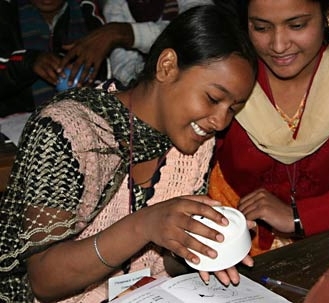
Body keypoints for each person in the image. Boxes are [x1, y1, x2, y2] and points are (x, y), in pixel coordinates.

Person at [0, 5, 257, 302]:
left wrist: (200, 245)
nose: (221, 121)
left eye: (233, 109)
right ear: (167, 66)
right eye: (213, 98)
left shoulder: (194, 141)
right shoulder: (68, 131)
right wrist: (148, 224)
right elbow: (44, 282)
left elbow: (169, 264)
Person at [208, 0, 329, 257]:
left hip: (320, 238)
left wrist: (302, 217)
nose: (278, 45)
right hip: (223, 233)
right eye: (261, 28)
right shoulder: (226, 72)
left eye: (297, 25)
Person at [0, 0, 108, 117]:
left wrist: (87, 80)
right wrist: (28, 62)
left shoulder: (87, 11)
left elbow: (106, 74)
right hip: (15, 119)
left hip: (81, 116)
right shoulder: (6, 13)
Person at [102, 0, 213, 86]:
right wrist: (151, 79)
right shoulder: (115, 6)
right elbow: (124, 67)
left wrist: (127, 33)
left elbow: (197, 30)